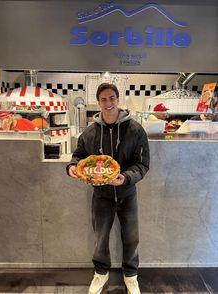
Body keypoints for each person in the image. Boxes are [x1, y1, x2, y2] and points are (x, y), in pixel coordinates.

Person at [66, 83, 150, 294]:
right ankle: (101, 273)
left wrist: (126, 178)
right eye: (103, 99)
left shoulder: (136, 130)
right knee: (100, 237)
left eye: (111, 98)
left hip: (127, 193)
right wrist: (72, 167)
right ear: (98, 102)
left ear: (118, 99)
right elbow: (78, 156)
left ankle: (131, 275)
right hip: (101, 195)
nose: (108, 103)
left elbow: (142, 164)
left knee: (132, 237)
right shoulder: (90, 132)